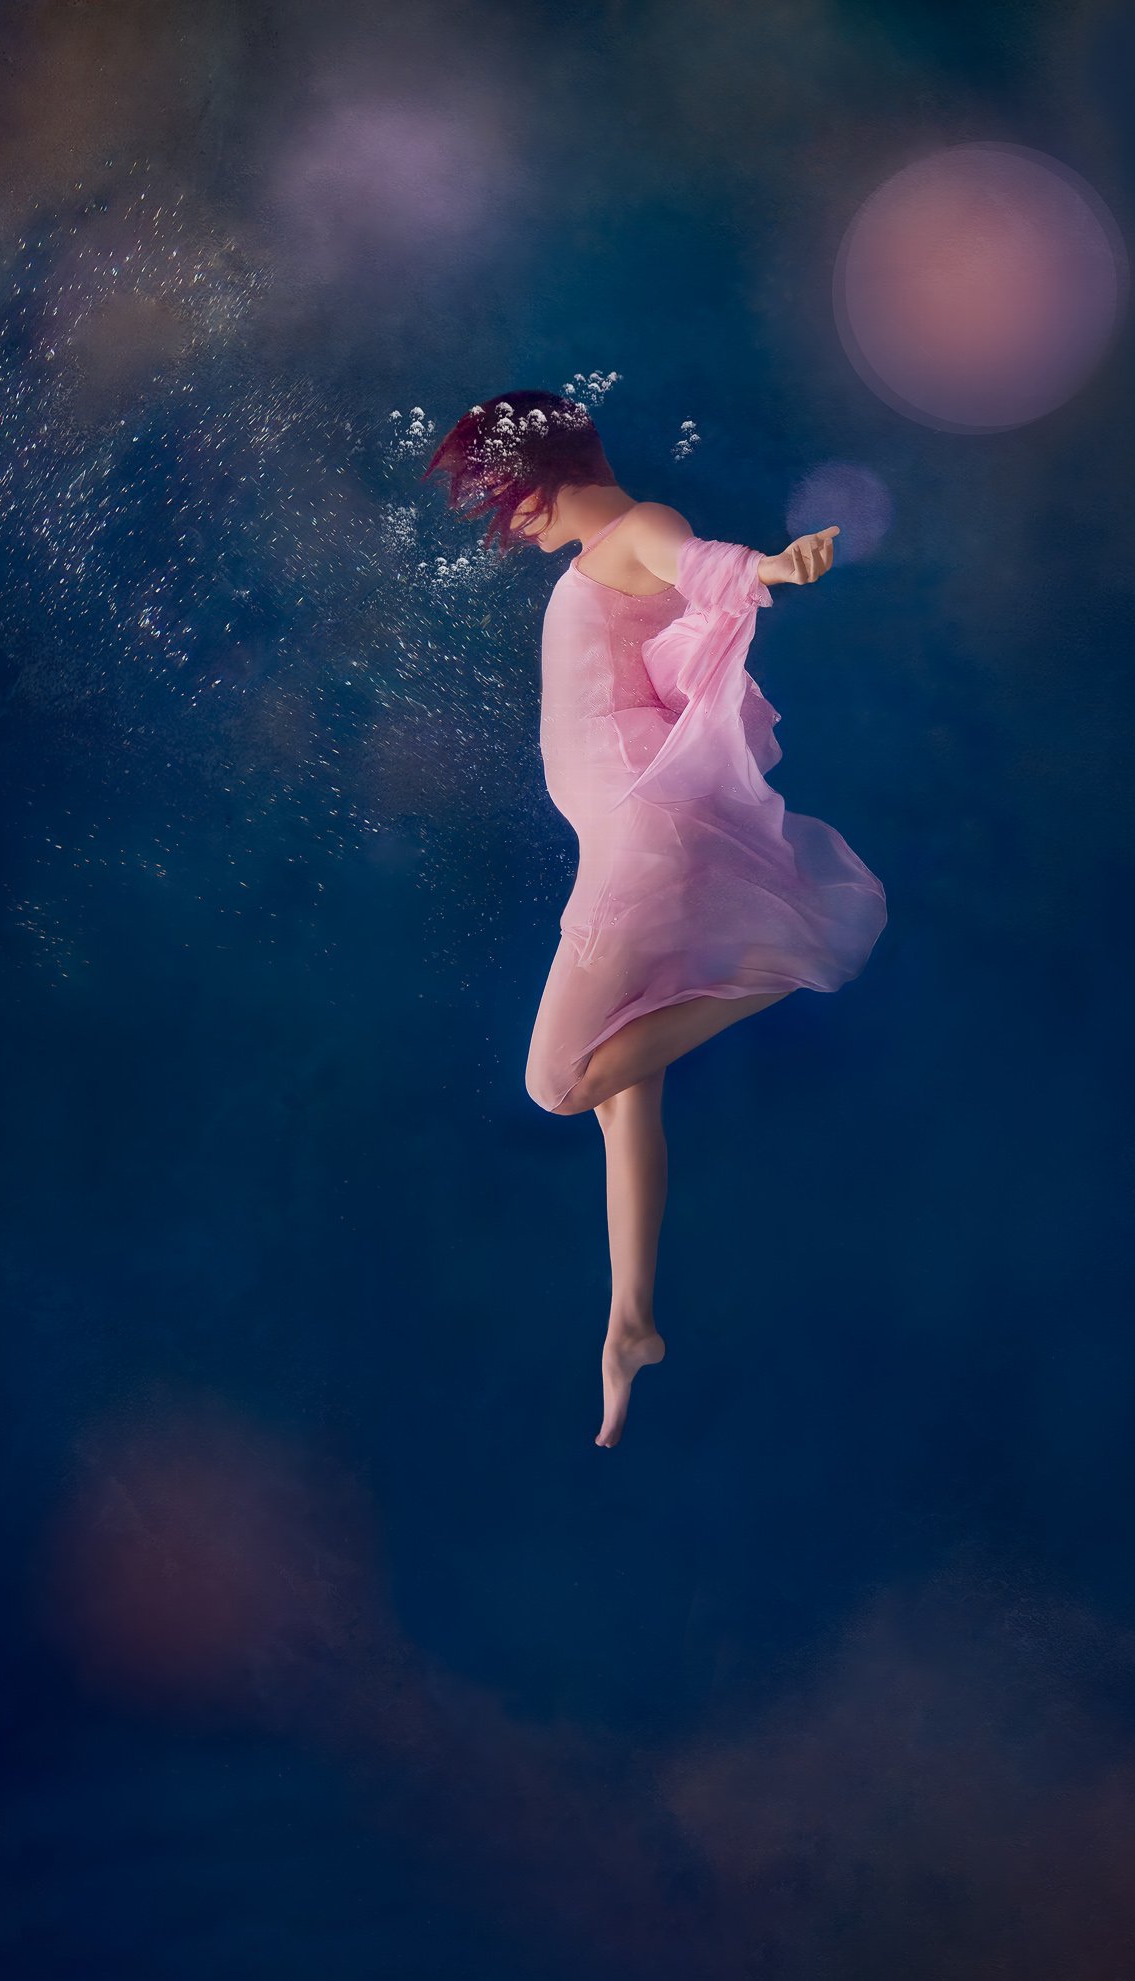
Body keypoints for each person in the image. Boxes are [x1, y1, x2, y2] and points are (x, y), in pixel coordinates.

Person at [425, 391, 887, 1447]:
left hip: (638, 848)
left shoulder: (633, 530)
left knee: (554, 1081)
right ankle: (628, 1317)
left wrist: (771, 568)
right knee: (622, 1093)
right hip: (625, 848)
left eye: (506, 500)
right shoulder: (595, 560)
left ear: (547, 473)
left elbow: (701, 561)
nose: (506, 524)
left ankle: (776, 967)